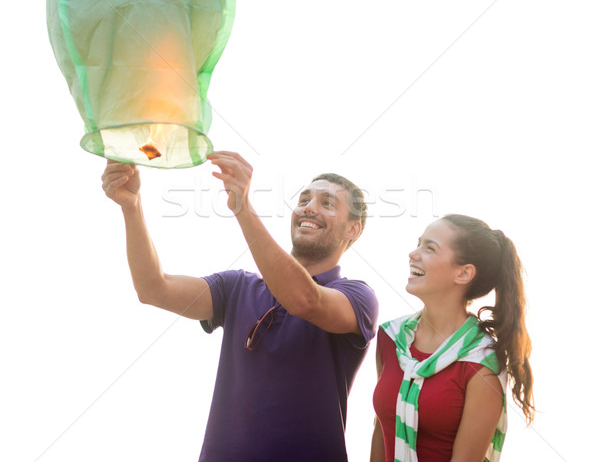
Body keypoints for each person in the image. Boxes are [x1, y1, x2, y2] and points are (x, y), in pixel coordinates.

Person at [101, 151, 378, 462]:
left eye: (327, 203)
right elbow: (154, 289)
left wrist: (243, 207)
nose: (308, 209)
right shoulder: (237, 287)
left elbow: (304, 300)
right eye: (304, 200)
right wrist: (132, 205)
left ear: (353, 229)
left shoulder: (357, 296)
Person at [371, 214, 534, 462]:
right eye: (418, 243)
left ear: (464, 273)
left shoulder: (482, 363)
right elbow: (382, 431)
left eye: (429, 248)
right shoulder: (391, 338)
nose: (413, 254)